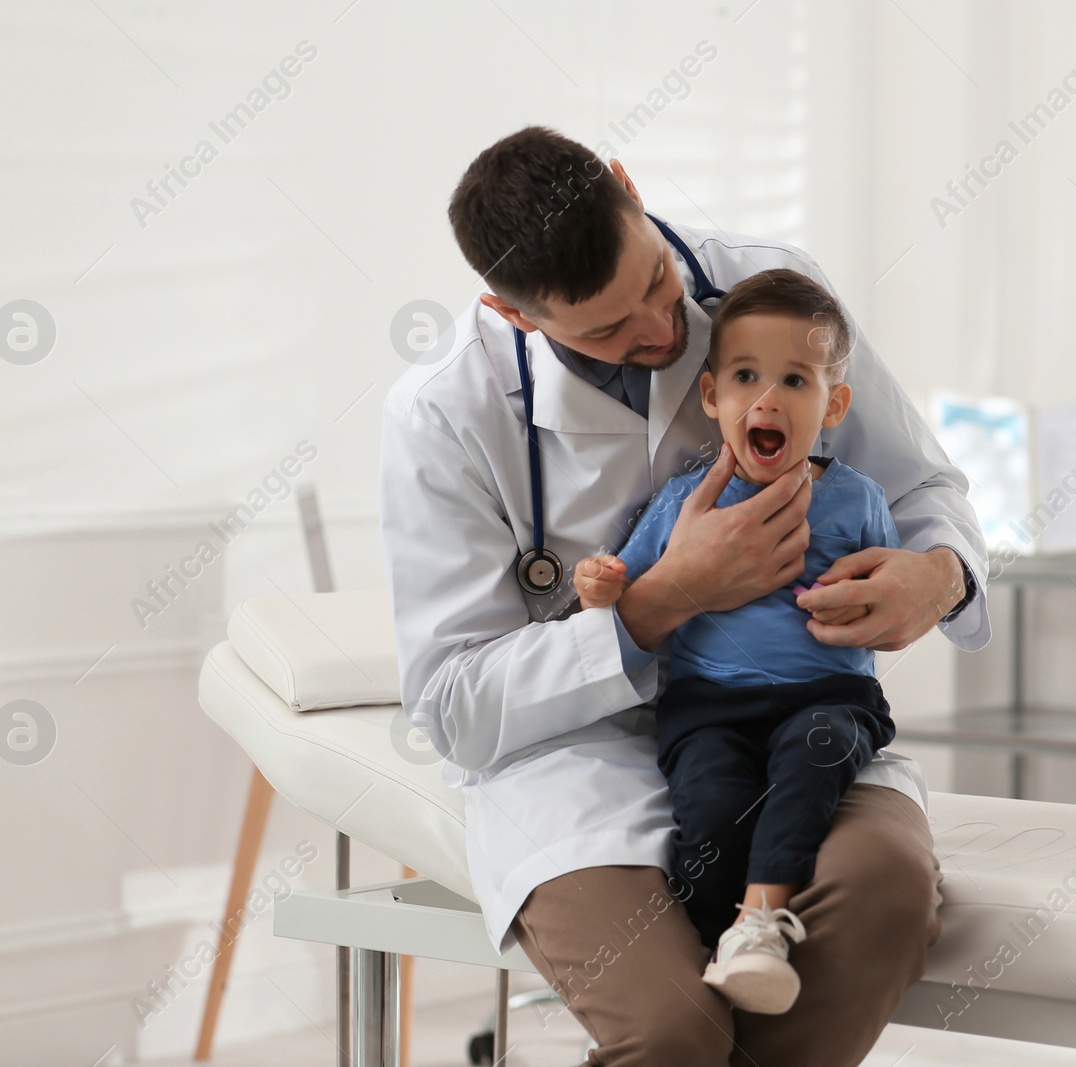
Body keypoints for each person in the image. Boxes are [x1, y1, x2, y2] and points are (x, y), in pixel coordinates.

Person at [380, 126, 989, 1066]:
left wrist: (937, 576)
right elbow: (454, 706)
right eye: (608, 329)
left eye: (659, 282)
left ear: (629, 186)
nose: (662, 332)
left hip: (799, 709)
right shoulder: (442, 414)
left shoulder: (773, 291)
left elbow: (922, 491)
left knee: (885, 897)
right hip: (576, 760)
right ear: (512, 313)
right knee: (675, 1030)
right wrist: (657, 602)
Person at [572, 268, 901, 1015]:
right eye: (747, 375)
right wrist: (597, 585)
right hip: (708, 706)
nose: (769, 398)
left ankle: (760, 921)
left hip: (828, 697)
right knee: (713, 808)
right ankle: (707, 953)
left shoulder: (859, 500)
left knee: (811, 763)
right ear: (713, 396)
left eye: (795, 380)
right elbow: (632, 584)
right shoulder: (690, 499)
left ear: (834, 404)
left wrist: (866, 605)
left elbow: (888, 606)